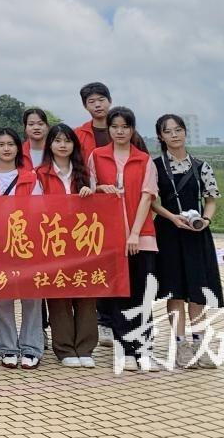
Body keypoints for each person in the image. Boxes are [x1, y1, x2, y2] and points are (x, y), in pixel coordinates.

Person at [89, 106, 159, 371]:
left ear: (132, 129)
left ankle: (143, 348)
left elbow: (146, 197)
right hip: (110, 238)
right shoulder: (96, 156)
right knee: (118, 295)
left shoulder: (143, 160)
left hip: (142, 238)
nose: (120, 131)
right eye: (115, 127)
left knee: (142, 295)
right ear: (108, 129)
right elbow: (90, 189)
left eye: (125, 127)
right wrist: (98, 189)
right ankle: (124, 348)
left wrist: (134, 233)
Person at [151, 113, 223, 370]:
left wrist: (205, 220)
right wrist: (172, 217)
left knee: (198, 289)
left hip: (196, 234)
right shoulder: (155, 166)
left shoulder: (201, 165)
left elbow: (212, 198)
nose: (174, 135)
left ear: (185, 133)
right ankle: (181, 345)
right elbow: (150, 201)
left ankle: (201, 343)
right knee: (175, 289)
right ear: (160, 136)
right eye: (168, 131)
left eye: (178, 129)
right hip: (169, 233)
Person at [33, 123, 97, 367]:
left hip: (83, 241)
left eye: (67, 141)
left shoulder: (85, 173)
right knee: (59, 295)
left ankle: (85, 347)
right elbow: (36, 210)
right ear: (50, 145)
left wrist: (90, 196)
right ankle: (65, 349)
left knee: (85, 292)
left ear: (74, 145)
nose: (63, 145)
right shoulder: (40, 174)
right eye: (58, 141)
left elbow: (99, 207)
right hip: (54, 242)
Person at [0, 127, 42, 369]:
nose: (6, 148)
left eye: (11, 144)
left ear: (19, 148)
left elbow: (40, 209)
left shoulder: (30, 176)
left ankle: (31, 347)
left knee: (32, 295)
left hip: (26, 242)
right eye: (1, 144)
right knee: (2, 297)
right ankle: (7, 347)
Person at [74, 81, 115, 345]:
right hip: (90, 207)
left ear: (109, 100)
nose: (97, 105)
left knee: (116, 264)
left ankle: (119, 320)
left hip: (118, 206)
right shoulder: (80, 134)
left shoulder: (123, 128)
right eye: (92, 101)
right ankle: (103, 322)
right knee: (95, 263)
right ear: (85, 106)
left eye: (101, 99)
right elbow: (77, 166)